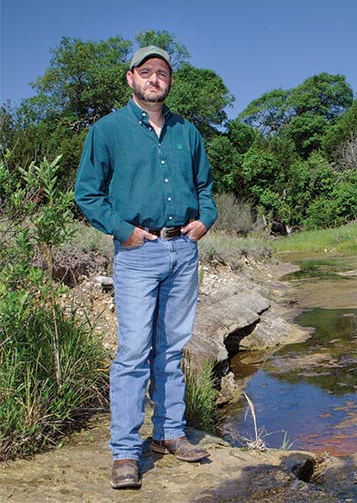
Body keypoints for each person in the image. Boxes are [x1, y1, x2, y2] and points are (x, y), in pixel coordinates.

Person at [75, 45, 218, 489]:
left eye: (162, 72)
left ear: (169, 82)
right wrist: (124, 232)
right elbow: (88, 193)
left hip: (183, 251)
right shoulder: (108, 130)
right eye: (146, 71)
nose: (155, 78)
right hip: (138, 253)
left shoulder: (187, 132)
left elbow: (205, 187)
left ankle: (169, 433)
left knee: (172, 349)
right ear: (131, 78)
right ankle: (125, 451)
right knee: (133, 352)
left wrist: (204, 221)